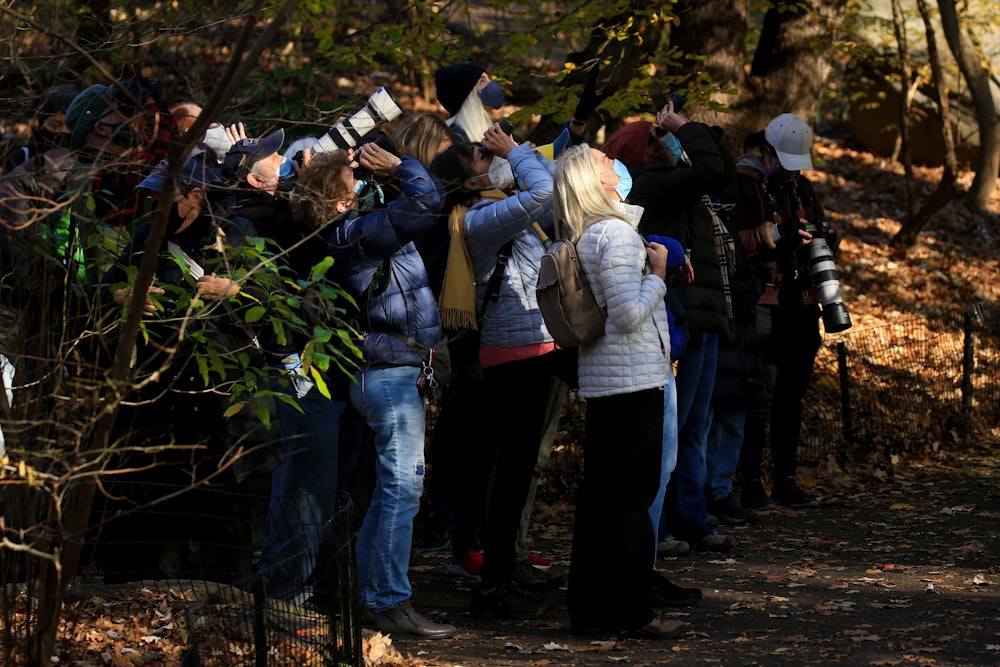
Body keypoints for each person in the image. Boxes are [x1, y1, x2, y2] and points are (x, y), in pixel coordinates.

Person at [310, 140, 456, 639]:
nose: (363, 191)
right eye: (354, 187)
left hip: (389, 370)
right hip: (387, 376)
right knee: (401, 489)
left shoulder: (360, 229)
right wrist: (401, 166)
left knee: (391, 491)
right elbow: (424, 203)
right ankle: (389, 601)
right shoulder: (352, 234)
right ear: (339, 202)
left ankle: (375, 594)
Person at [429, 125, 572, 619]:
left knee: (505, 467)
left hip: (530, 346)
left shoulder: (503, 206)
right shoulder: (482, 216)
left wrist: (517, 155)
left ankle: (500, 574)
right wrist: (516, 151)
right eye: (480, 156)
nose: (491, 156)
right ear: (469, 181)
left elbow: (564, 191)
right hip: (515, 353)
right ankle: (494, 585)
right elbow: (547, 189)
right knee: (509, 470)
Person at [555, 144, 686, 639]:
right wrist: (659, 275)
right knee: (630, 500)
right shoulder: (615, 234)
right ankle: (632, 611)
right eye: (603, 157)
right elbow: (628, 316)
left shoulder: (591, 233)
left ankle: (589, 610)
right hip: (632, 383)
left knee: (602, 501)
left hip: (608, 382)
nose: (613, 160)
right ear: (598, 179)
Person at [603, 101, 736, 555]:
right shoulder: (652, 183)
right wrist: (686, 127)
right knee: (676, 431)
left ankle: (690, 519)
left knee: (694, 424)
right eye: (662, 138)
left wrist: (696, 130)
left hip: (702, 312)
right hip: (682, 314)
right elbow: (711, 171)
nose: (673, 142)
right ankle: (660, 529)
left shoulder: (671, 182)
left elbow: (722, 165)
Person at [730, 113, 838, 511]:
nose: (791, 172)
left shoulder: (803, 189)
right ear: (768, 152)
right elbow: (730, 241)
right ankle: (750, 482)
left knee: (792, 397)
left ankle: (786, 480)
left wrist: (826, 236)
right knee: (757, 397)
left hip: (803, 304)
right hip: (762, 305)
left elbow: (817, 232)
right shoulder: (744, 184)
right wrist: (774, 236)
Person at [3, 83, 78, 174]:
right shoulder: (21, 157)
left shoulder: (87, 159)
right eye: (55, 125)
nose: (64, 130)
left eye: (71, 125)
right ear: (42, 124)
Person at [434, 61, 505, 143]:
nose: (490, 84)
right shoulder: (454, 140)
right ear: (467, 95)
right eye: (482, 81)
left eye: (488, 79)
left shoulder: (487, 131)